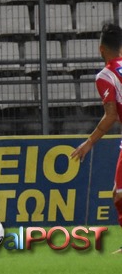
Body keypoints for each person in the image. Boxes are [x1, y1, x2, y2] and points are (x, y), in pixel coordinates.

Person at [70, 22, 122, 250]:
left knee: (119, 195)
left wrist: (89, 142)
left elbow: (111, 115)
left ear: (101, 49)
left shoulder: (106, 75)